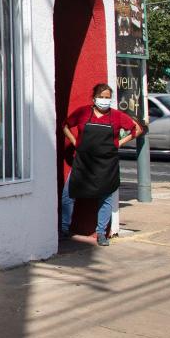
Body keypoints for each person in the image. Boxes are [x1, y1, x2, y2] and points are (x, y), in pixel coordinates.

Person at [61, 82, 143, 246]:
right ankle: (64, 228)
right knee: (68, 195)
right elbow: (65, 125)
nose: (104, 100)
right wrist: (75, 141)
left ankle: (101, 233)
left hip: (106, 164)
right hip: (83, 162)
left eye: (107, 98)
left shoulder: (116, 115)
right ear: (94, 98)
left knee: (105, 198)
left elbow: (137, 129)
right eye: (101, 97)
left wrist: (119, 143)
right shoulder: (84, 112)